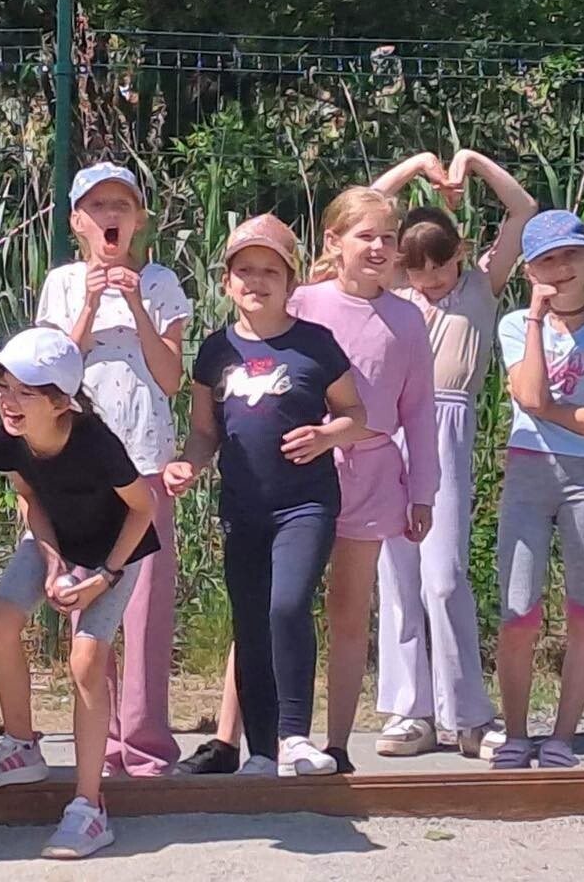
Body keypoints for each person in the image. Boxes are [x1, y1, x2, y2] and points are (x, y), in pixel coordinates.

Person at [165, 216, 366, 777]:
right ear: (227, 282)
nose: (257, 281)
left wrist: (326, 435)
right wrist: (188, 464)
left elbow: (356, 414)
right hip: (243, 507)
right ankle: (259, 751)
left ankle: (295, 736)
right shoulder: (215, 350)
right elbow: (203, 431)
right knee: (251, 621)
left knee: (287, 605)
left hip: (305, 503)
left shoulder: (316, 344)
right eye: (245, 271)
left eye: (270, 271)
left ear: (291, 281)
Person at [0, 328, 157, 858]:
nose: (7, 399)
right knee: (0, 618)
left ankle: (89, 808)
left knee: (86, 660)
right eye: (2, 384)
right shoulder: (4, 439)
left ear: (62, 402)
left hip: (118, 548)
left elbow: (144, 508)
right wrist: (51, 561)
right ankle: (20, 747)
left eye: (25, 391)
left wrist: (103, 577)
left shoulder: (97, 445)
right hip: (57, 538)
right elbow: (30, 498)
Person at [370, 149, 536, 759]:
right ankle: (410, 711)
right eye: (417, 272)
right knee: (398, 576)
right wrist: (415, 164)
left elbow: (522, 209)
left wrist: (470, 162)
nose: (430, 281)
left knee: (443, 577)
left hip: (447, 431)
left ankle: (467, 714)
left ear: (460, 254)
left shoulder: (480, 288)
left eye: (439, 268)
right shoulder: (396, 291)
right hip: (391, 433)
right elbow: (366, 207)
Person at [36, 160, 189, 777]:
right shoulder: (63, 284)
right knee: (90, 610)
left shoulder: (160, 283)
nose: (109, 216)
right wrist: (92, 303)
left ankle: (146, 746)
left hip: (145, 464)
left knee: (145, 610)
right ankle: (97, 745)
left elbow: (171, 378)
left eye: (120, 206)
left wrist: (134, 303)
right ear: (77, 221)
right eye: (97, 207)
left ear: (139, 219)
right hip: (83, 468)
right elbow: (54, 373)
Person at [287, 187, 439, 775]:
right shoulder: (303, 302)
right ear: (334, 242)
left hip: (373, 474)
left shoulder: (407, 317)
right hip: (301, 470)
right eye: (364, 235)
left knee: (349, 613)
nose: (377, 247)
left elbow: (418, 410)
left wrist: (422, 491)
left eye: (387, 238)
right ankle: (242, 739)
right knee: (277, 603)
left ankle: (337, 744)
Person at [492, 210, 584, 769]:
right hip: (527, 473)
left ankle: (563, 736)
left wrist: (550, 410)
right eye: (546, 260)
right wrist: (536, 319)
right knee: (518, 611)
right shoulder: (515, 325)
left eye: (571, 254)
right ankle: (515, 733)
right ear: (530, 271)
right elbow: (529, 394)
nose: (561, 268)